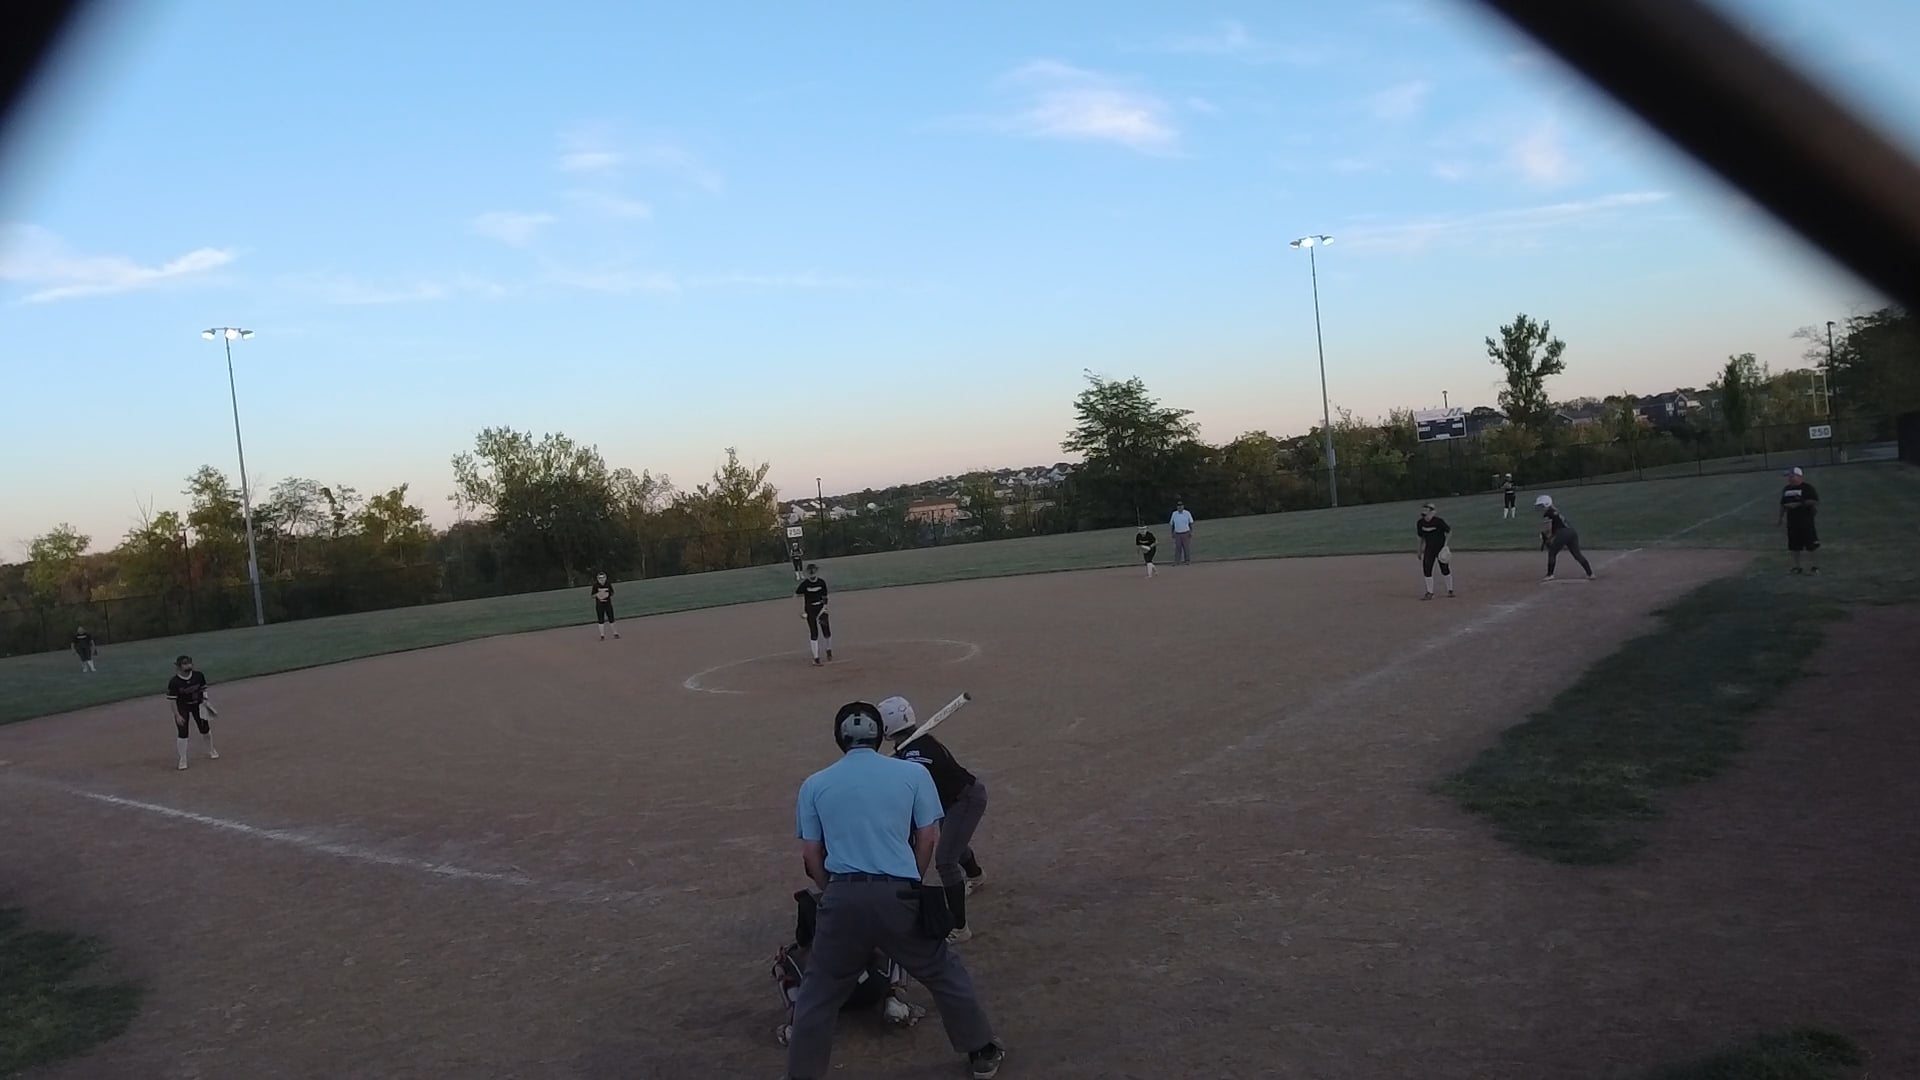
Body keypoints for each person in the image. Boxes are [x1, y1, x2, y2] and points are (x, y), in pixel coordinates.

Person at [784, 702, 1007, 1080]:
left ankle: (800, 1075)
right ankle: (981, 1051)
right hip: (898, 895)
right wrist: (911, 880)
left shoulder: (815, 784)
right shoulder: (912, 774)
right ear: (879, 735)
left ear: (839, 738)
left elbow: (811, 854)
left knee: (818, 993)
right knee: (942, 971)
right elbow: (927, 836)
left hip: (842, 898)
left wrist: (831, 889)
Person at [881, 696, 989, 944]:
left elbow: (912, 777)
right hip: (952, 800)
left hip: (965, 800)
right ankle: (976, 876)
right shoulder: (915, 742)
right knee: (955, 845)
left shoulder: (917, 751)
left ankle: (960, 928)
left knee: (946, 860)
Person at [165, 654, 218, 771]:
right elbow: (172, 700)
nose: (188, 665)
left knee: (205, 729)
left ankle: (211, 749)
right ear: (179, 667)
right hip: (182, 707)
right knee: (183, 732)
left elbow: (203, 689)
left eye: (189, 663)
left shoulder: (198, 676)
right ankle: (183, 759)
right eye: (185, 664)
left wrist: (206, 701)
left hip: (198, 705)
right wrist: (177, 715)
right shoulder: (174, 682)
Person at [1535, 494, 1594, 582]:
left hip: (1562, 533)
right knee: (1577, 554)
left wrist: (1547, 537)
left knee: (1552, 552)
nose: (1540, 508)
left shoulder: (1548, 513)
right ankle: (1590, 573)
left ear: (1546, 504)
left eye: (1541, 506)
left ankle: (1550, 574)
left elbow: (1549, 527)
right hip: (1571, 532)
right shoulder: (1556, 511)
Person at [1778, 466, 1821, 574]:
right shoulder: (1786, 489)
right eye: (1789, 476)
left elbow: (1814, 501)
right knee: (1794, 546)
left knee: (1811, 545)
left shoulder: (1807, 488)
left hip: (1806, 521)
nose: (1789, 478)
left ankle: (1814, 567)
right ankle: (1797, 567)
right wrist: (1780, 518)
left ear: (1798, 476)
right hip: (1792, 522)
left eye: (1791, 476)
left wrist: (1798, 504)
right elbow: (1783, 504)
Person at [796, 563, 834, 665]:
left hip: (821, 609)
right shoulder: (805, 584)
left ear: (816, 571)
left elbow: (825, 596)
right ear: (808, 573)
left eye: (813, 571)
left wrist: (825, 607)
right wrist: (801, 610)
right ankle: (816, 658)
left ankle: (828, 650)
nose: (812, 573)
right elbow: (797, 594)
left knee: (826, 631)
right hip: (810, 610)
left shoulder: (821, 582)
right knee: (814, 633)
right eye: (810, 571)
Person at [1415, 503, 1455, 600]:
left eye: (1426, 510)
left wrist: (1445, 545)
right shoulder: (1420, 523)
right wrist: (1419, 550)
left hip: (1440, 549)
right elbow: (1421, 537)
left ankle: (1450, 590)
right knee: (1427, 568)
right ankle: (1430, 592)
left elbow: (1449, 531)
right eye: (1423, 510)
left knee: (1444, 568)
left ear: (1432, 512)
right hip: (1429, 549)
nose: (1424, 512)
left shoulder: (1438, 521)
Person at [589, 572, 620, 641]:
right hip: (599, 605)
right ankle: (602, 635)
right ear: (597, 579)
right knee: (601, 620)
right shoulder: (595, 585)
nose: (602, 579)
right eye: (600, 578)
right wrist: (598, 594)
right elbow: (592, 595)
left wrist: (607, 594)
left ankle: (615, 633)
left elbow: (612, 593)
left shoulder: (608, 584)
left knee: (611, 619)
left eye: (603, 578)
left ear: (605, 578)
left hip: (608, 604)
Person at [1169, 500, 1195, 564]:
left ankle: (1187, 560)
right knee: (1178, 547)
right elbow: (1172, 524)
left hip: (1186, 532)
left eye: (1181, 506)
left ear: (1183, 506)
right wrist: (1172, 532)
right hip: (1177, 533)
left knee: (1186, 547)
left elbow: (1191, 523)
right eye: (1178, 506)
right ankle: (1177, 561)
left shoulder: (1187, 513)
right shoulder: (1174, 514)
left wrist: (1191, 531)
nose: (1179, 507)